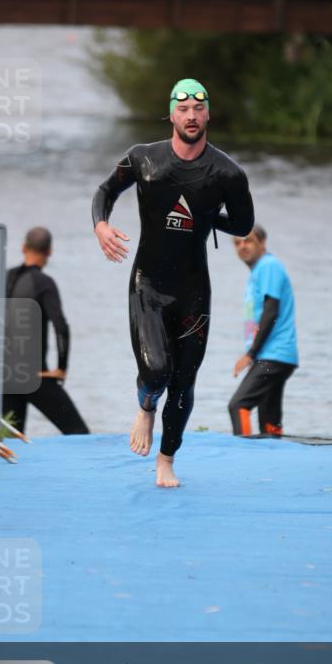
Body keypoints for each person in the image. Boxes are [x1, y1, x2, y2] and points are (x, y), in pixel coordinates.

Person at [92, 79, 254, 488]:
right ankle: (145, 406)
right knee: (156, 370)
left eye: (199, 109)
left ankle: (166, 459)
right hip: (148, 285)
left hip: (193, 291)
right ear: (172, 114)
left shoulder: (227, 173)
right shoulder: (143, 159)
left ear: (208, 115)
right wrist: (101, 225)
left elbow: (243, 223)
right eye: (183, 109)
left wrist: (205, 219)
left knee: (183, 383)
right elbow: (105, 191)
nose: (192, 116)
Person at [3, 227, 89, 435]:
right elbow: (61, 327)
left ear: (23, 247)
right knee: (79, 434)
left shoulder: (4, 279)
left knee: (11, 444)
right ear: (49, 251)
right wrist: (61, 368)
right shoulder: (44, 283)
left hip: (4, 378)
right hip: (34, 376)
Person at [229, 225, 298, 438]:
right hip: (273, 355)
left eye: (248, 240)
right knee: (269, 420)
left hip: (273, 354)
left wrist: (250, 354)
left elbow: (271, 311)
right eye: (237, 243)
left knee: (238, 405)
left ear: (262, 243)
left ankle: (245, 454)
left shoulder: (268, 266)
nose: (242, 246)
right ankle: (275, 455)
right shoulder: (258, 272)